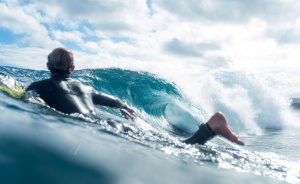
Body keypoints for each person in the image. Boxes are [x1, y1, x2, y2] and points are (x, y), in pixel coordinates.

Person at [26, 47, 244, 146]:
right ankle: (210, 127)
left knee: (175, 148)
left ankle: (211, 127)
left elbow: (26, 99)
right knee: (169, 144)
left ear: (48, 66)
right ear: (72, 68)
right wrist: (123, 106)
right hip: (110, 121)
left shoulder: (40, 86)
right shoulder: (85, 87)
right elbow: (114, 101)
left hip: (94, 127)